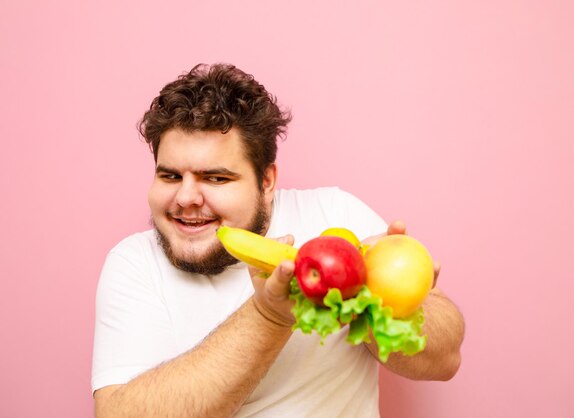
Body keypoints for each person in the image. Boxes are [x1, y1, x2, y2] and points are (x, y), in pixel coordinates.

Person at [91, 63, 465, 418]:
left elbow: (447, 357)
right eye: (170, 176)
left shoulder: (335, 216)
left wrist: (367, 298)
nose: (186, 198)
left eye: (216, 178)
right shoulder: (133, 263)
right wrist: (267, 315)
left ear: (267, 181)